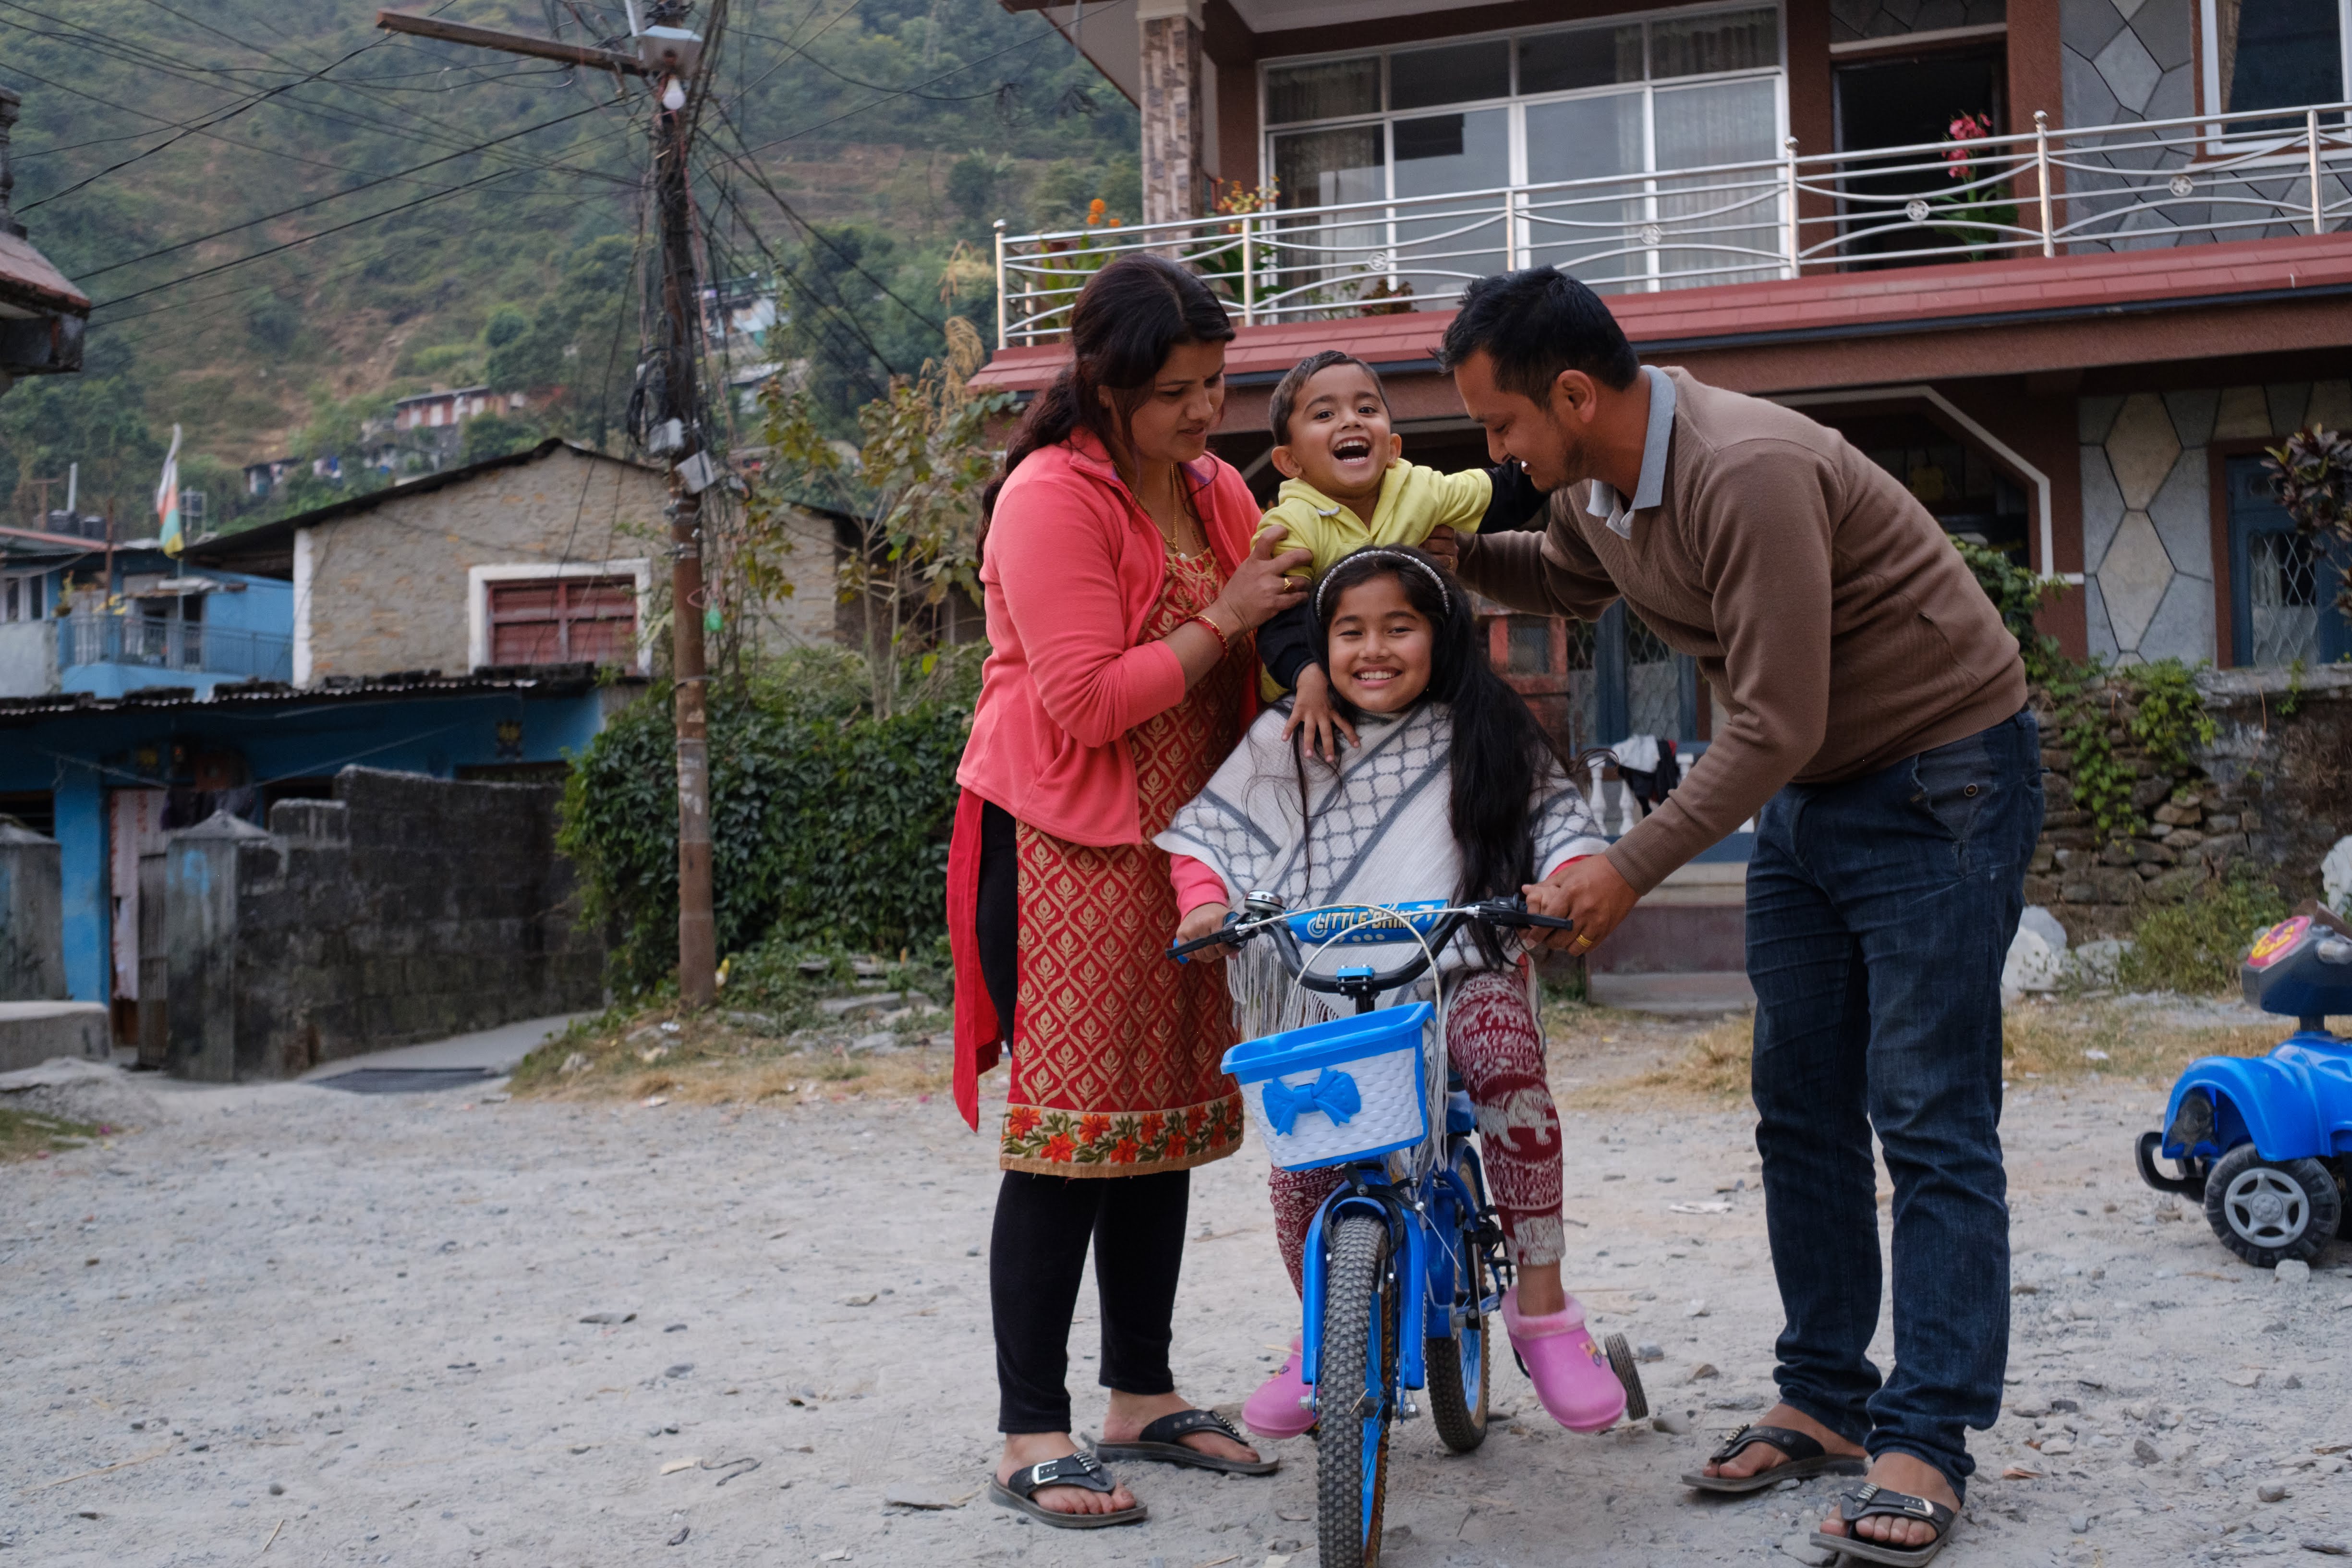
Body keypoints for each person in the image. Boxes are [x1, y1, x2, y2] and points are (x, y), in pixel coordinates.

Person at [1432, 266, 2040, 1567]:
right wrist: (1446, 557)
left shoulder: (1743, 470)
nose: (1495, 455)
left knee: (1929, 1112)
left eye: (1501, 427)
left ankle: (1926, 1435)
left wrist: (1628, 866)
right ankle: (1825, 1397)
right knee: (1799, 1104)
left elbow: (1774, 719)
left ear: (1575, 395)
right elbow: (1565, 577)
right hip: (1815, 791)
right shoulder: (1601, 484)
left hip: (1941, 772)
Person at [945, 254, 1312, 1529]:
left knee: (1159, 1123)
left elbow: (1274, 628)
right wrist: (1228, 616)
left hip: (1185, 850)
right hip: (1065, 845)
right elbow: (1084, 703)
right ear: (1106, 386)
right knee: (1066, 1141)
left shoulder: (1210, 486)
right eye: (1176, 393)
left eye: (1217, 385)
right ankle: (1027, 1427)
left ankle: (1139, 1395)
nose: (1206, 414)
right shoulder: (1049, 497)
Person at [1153, 545, 1628, 1442]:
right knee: (1303, 1151)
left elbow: (1563, 829)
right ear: (1321, 645)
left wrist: (1556, 883)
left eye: (1398, 627)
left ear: (1439, 634)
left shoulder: (1486, 729)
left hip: (1462, 975)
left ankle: (1542, 1307)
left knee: (1505, 1064)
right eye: (1350, 632)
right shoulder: (1283, 737)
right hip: (1325, 992)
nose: (1374, 650)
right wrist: (1203, 905)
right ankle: (1319, 1336)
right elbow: (1207, 842)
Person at [1248, 350, 1546, 761]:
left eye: (1366, 408)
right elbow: (1280, 620)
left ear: (1392, 447)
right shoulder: (1290, 524)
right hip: (1313, 700)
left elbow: (1505, 493)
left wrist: (1555, 444)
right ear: (1290, 461)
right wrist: (1308, 676)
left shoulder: (1419, 489)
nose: (1351, 420)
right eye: (1324, 415)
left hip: (1411, 692)